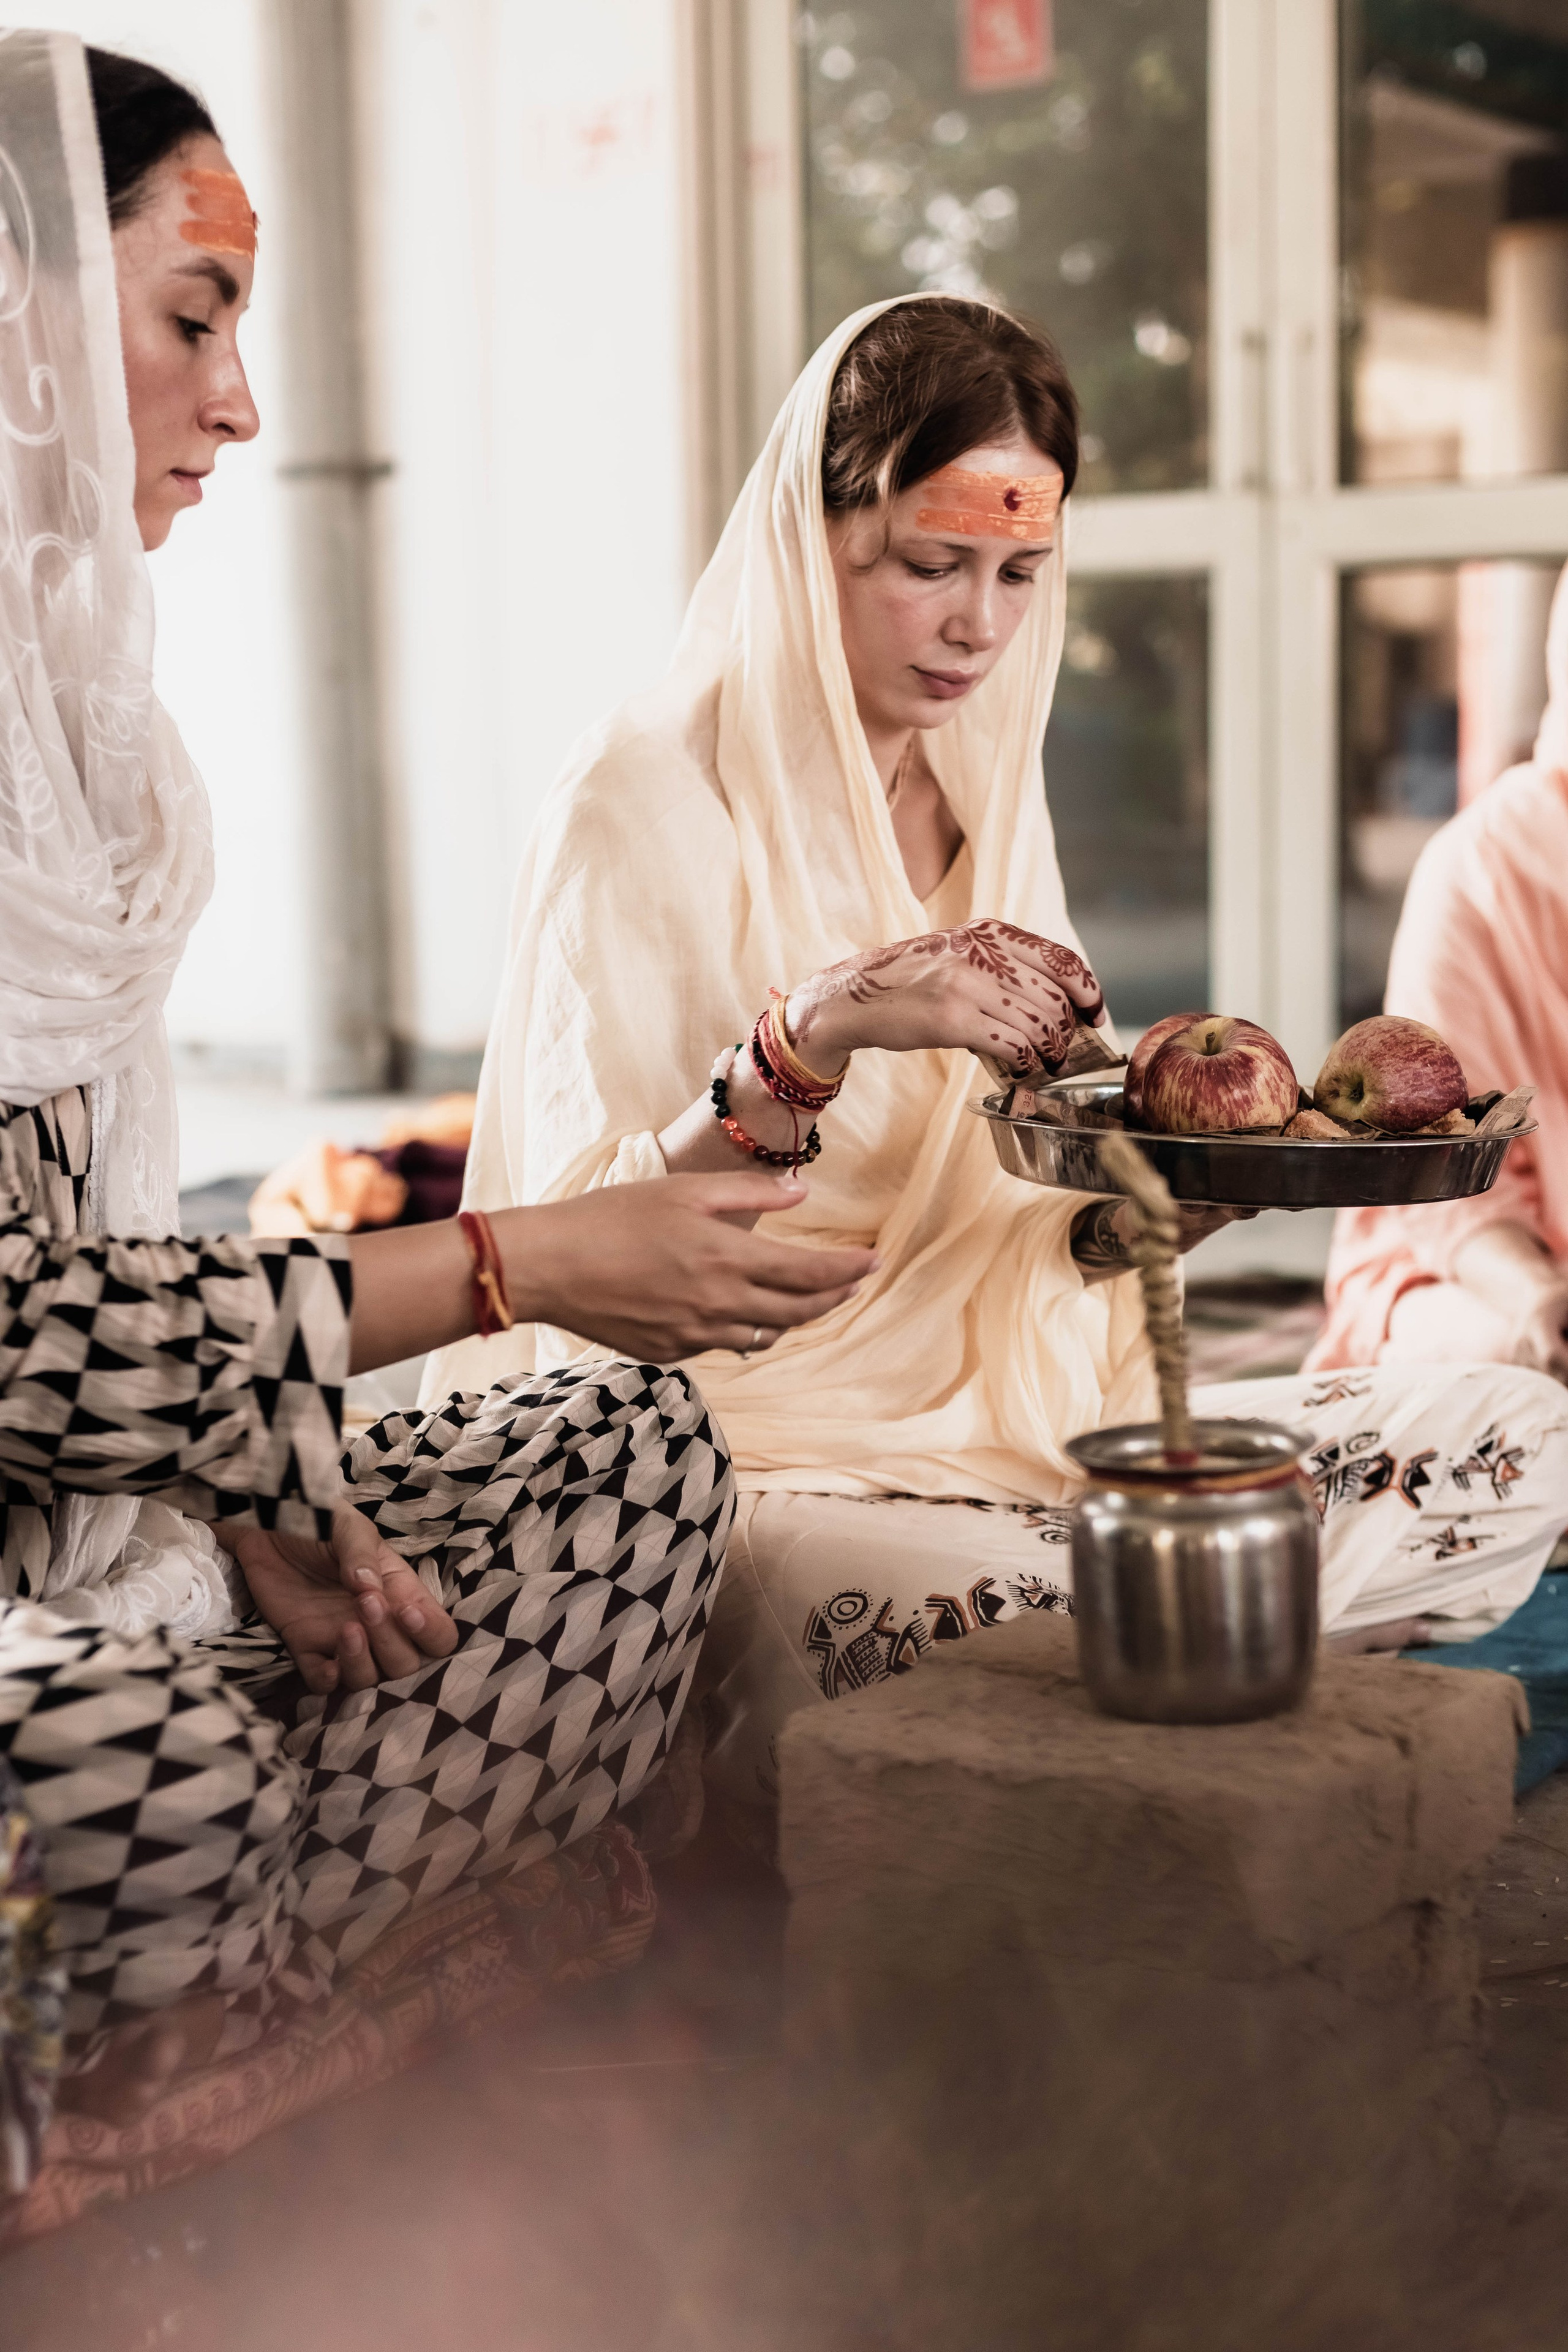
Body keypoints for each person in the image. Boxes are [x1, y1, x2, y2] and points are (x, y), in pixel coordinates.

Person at [0, 31, 872, 2162]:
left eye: (1014, 581)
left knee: (634, 1455)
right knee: (135, 1759)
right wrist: (518, 1261)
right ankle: (231, 1980)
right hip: (55, 1621)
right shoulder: (634, 790)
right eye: (194, 316)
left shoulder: (82, 745)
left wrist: (252, 1487)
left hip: (102, 1511)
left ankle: (183, 1998)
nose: (243, 401)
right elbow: (24, 1327)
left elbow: (106, 1274)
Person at [428, 298, 1568, 1818]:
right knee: (879, 1613)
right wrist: (811, 1032)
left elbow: (1022, 1230)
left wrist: (1176, 1199)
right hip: (757, 1445)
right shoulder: (642, 799)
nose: (978, 623)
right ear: (806, 535)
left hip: (1020, 1426)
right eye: (926, 566)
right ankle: (1103, 1645)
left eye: (1018, 574)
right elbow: (582, 1257)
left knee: (1504, 1437)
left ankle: (1098, 1644)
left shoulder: (979, 791)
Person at [1310, 561, 1568, 1380]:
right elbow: (1444, 1167)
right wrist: (1537, 1300)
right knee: (1505, 1368)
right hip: (1477, 1266)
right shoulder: (1480, 867)